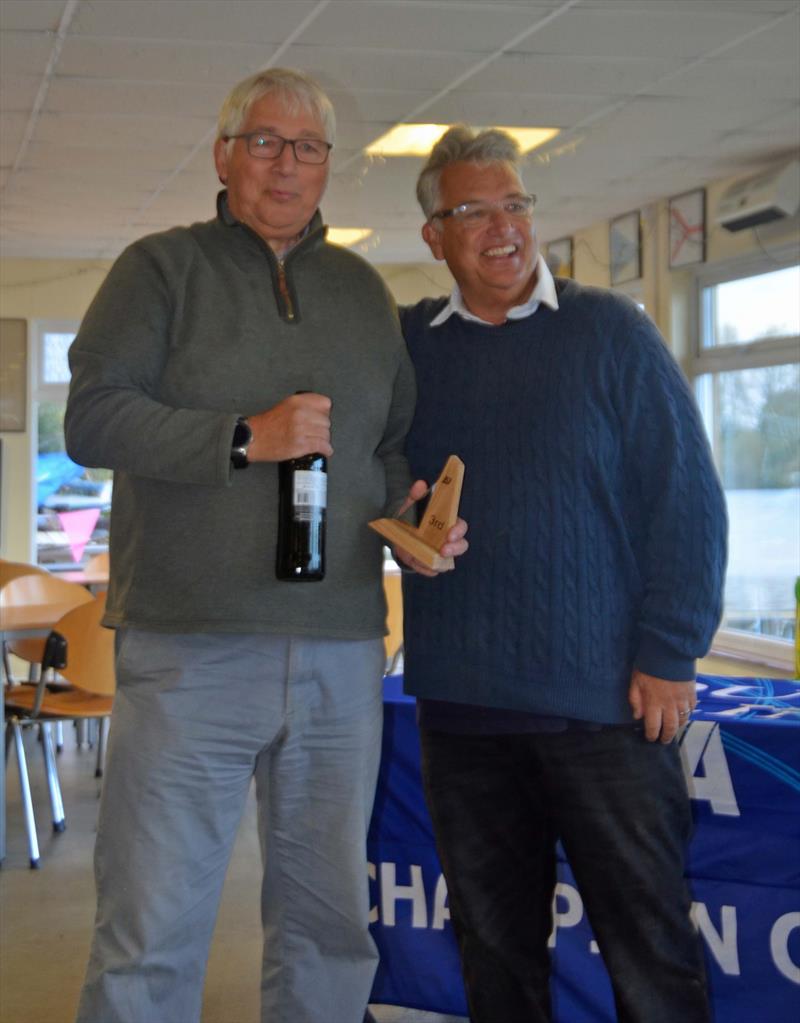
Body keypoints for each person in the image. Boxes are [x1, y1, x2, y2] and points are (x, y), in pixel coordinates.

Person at [65, 69, 466, 1023]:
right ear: (224, 154)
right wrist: (244, 436)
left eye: (308, 147)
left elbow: (389, 444)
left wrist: (415, 513)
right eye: (265, 142)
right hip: (191, 644)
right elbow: (93, 418)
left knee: (329, 928)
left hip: (338, 646)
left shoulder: (365, 292)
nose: (287, 165)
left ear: (330, 165)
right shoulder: (159, 270)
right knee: (151, 931)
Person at [399, 125, 727, 1023]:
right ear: (435, 235)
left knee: (650, 953)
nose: (502, 227)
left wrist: (671, 650)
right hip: (462, 713)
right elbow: (374, 479)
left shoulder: (609, 331)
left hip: (606, 710)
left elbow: (688, 500)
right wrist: (394, 522)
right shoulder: (410, 348)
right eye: (473, 210)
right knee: (496, 958)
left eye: (516, 204)